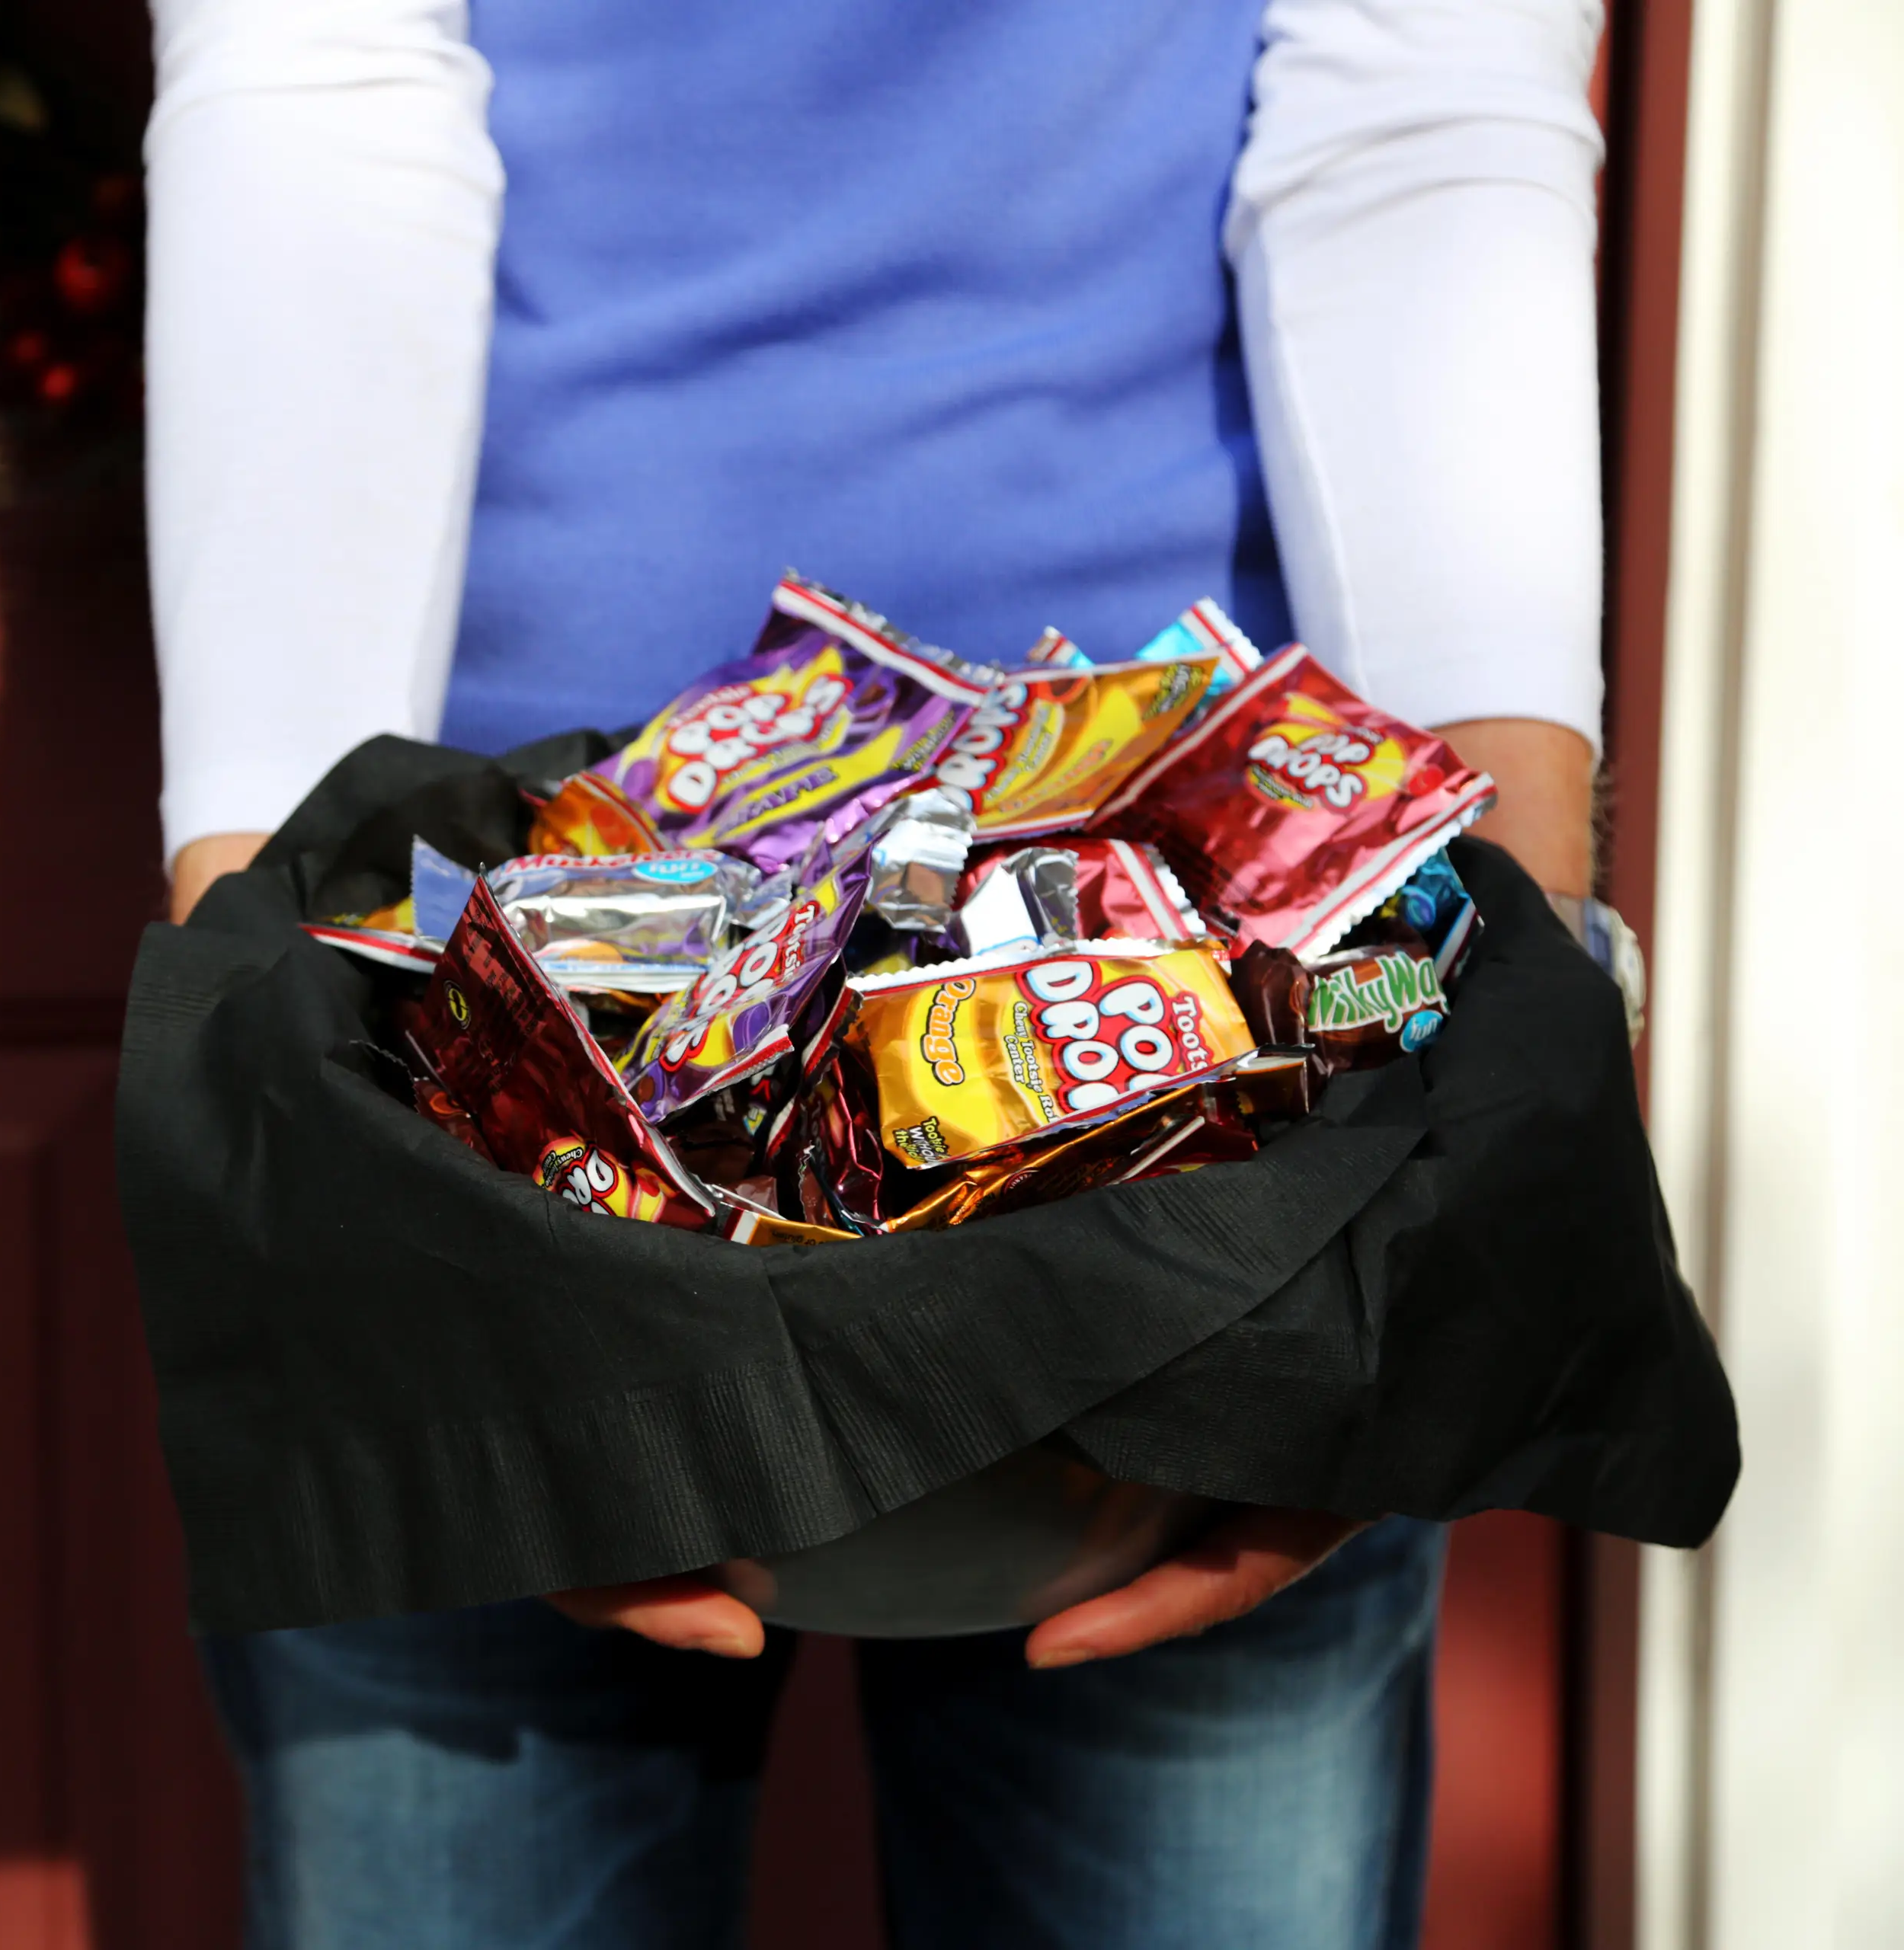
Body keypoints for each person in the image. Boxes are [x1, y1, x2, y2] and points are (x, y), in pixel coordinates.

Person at [141, 0, 1607, 1942]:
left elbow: (1427, 111)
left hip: (1224, 1025)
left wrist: (1482, 1043)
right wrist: (291, 1060)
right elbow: (311, 93)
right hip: (474, 999)